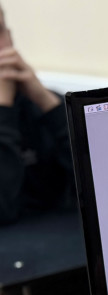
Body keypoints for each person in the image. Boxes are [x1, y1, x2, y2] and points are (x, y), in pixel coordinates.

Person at [0, 3, 73, 225]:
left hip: (60, 234)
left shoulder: (43, 103)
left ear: (10, 37)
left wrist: (47, 102)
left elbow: (99, 184)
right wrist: (3, 110)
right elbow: (3, 209)